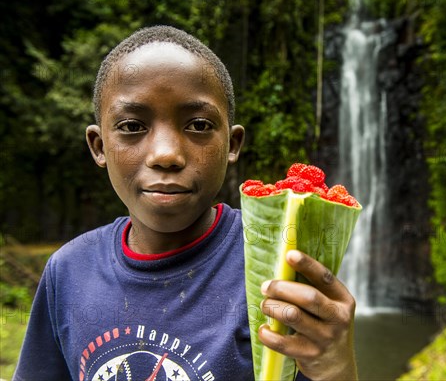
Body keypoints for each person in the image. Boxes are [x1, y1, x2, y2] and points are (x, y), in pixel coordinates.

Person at [14, 25, 358, 381]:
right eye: (132, 126)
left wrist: (337, 367)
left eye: (198, 124)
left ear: (232, 144)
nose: (166, 154)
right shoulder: (68, 271)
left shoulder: (274, 265)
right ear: (99, 146)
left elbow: (323, 364)